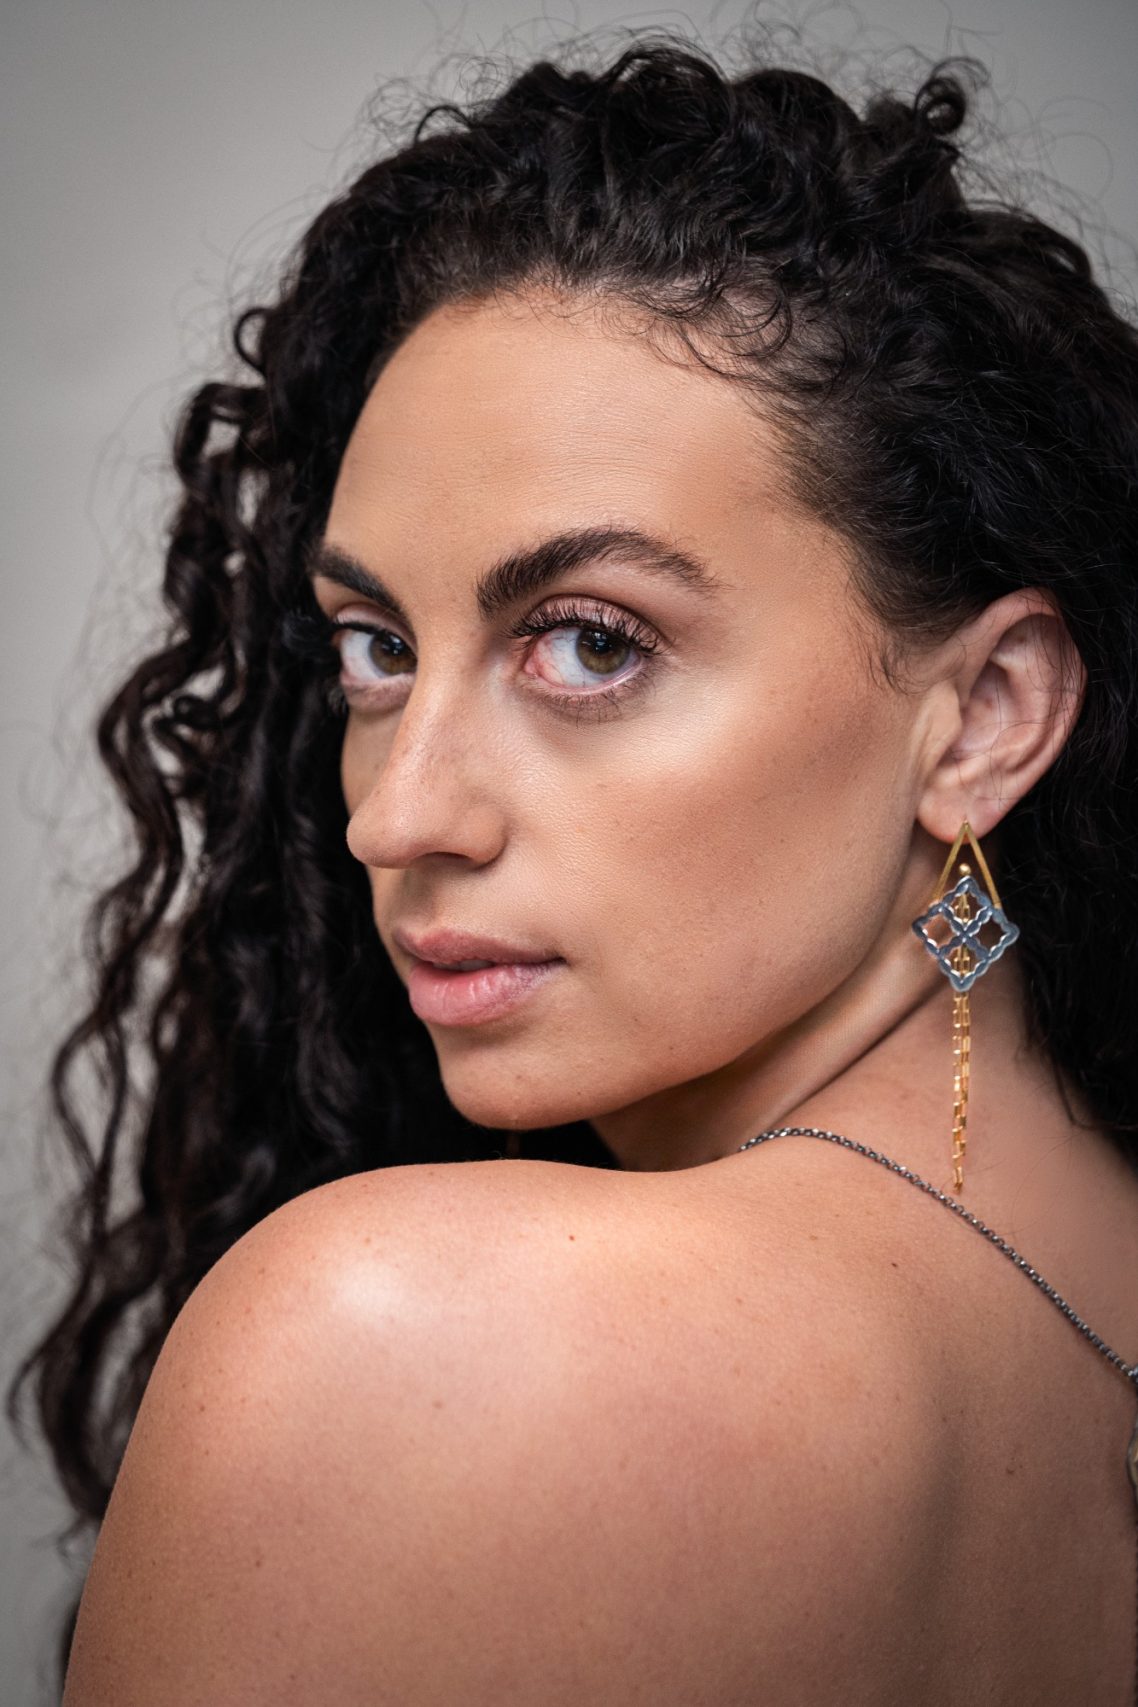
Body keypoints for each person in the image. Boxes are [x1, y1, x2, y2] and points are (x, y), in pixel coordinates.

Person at [10, 24, 1138, 1705]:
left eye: (591, 645)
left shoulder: (398, 1345)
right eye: (374, 649)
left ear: (981, 717)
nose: (397, 817)